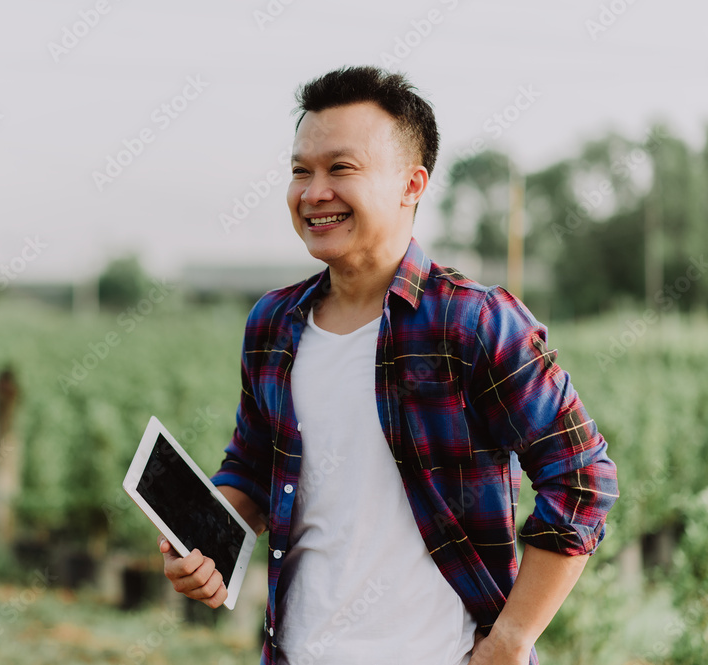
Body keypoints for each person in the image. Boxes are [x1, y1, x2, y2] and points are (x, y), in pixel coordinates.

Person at [159, 66, 618, 665]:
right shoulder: (272, 324)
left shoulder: (473, 321)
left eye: (340, 169)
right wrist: (201, 536)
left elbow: (581, 476)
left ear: (411, 184)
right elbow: (251, 466)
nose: (313, 192)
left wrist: (511, 639)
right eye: (301, 170)